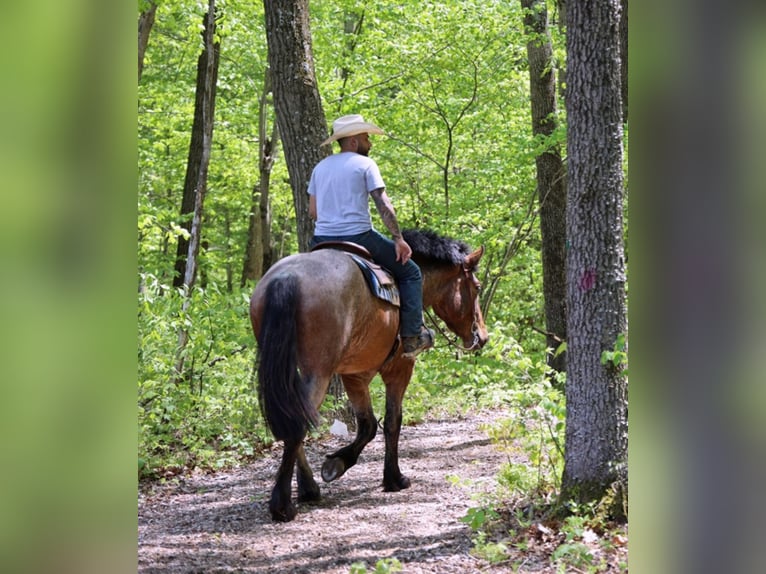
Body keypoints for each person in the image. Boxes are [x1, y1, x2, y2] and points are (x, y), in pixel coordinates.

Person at [308, 114, 434, 358]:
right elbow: (383, 204)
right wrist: (398, 238)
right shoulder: (365, 165)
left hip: (320, 240)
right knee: (411, 273)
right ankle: (412, 336)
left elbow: (313, 212)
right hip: (359, 237)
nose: (370, 142)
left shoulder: (320, 168)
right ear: (353, 141)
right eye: (366, 137)